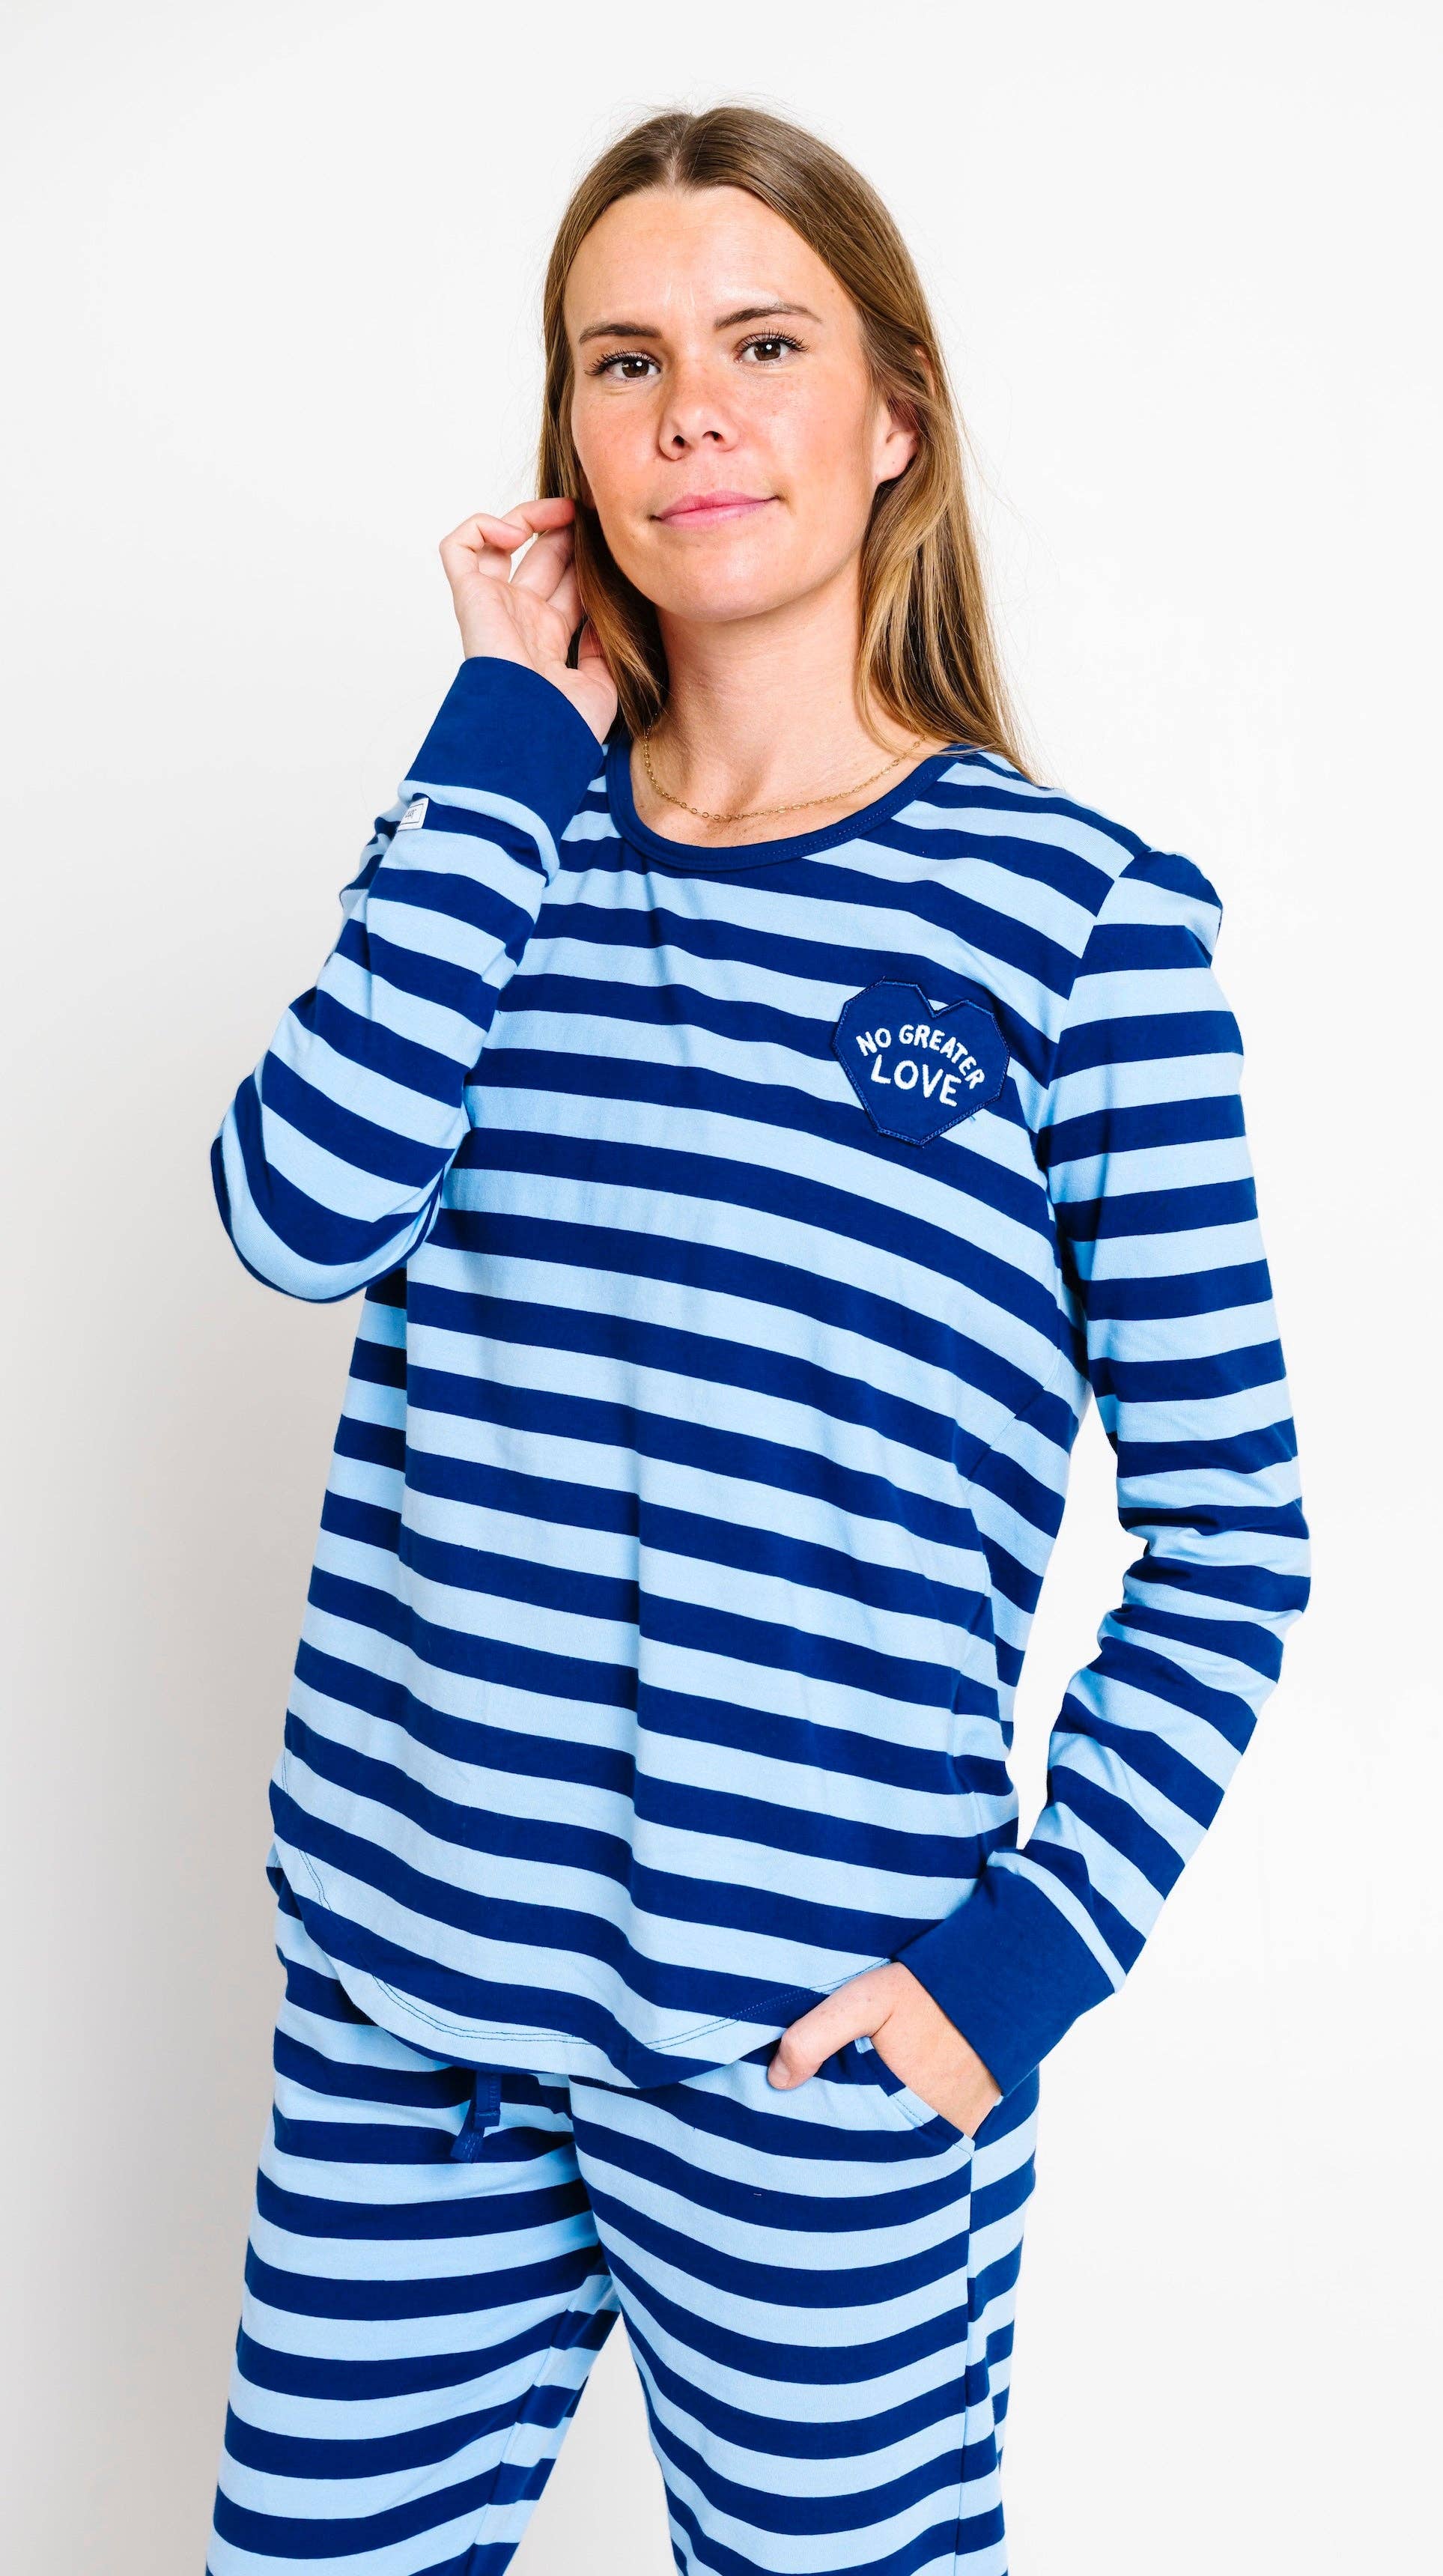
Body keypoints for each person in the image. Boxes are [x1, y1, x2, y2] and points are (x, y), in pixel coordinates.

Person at [202, 103, 1310, 2576]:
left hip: (821, 2052)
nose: (690, 408)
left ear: (893, 412)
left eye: (762, 344)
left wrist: (1011, 1972)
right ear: (572, 441)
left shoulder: (1084, 926)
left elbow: (1235, 1538)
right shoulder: (488, 835)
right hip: (409, 2015)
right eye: (624, 360)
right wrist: (500, 740)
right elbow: (293, 1218)